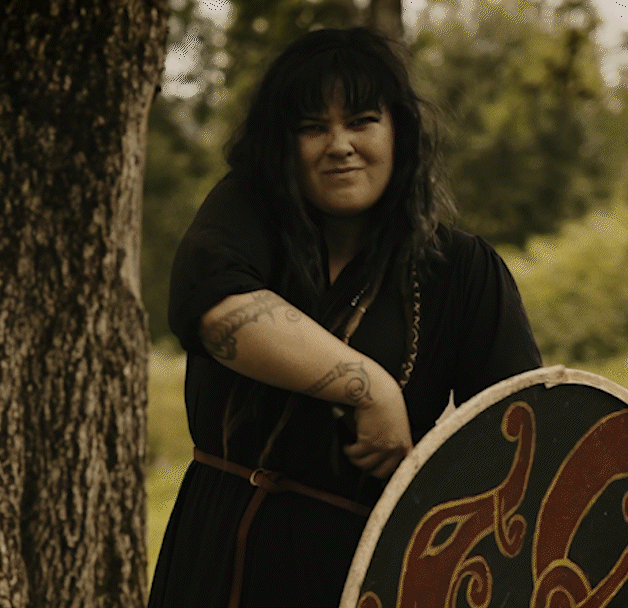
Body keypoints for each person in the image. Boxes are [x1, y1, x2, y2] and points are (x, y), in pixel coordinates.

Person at [148, 27, 541, 608]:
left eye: (361, 121)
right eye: (312, 127)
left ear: (398, 133)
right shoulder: (246, 216)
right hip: (216, 553)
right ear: (285, 145)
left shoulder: (462, 272)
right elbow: (213, 307)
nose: (339, 145)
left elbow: (516, 439)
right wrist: (372, 389)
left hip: (361, 574)